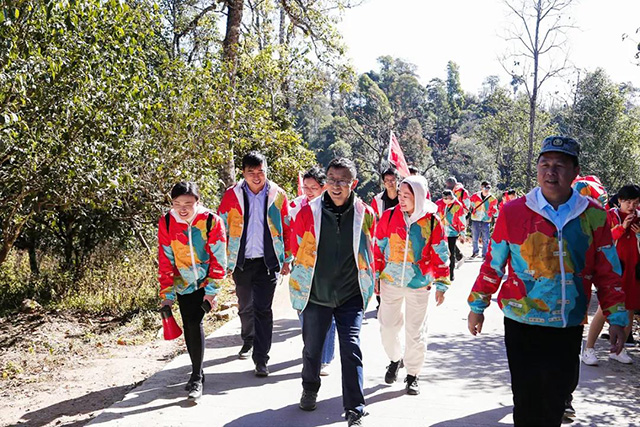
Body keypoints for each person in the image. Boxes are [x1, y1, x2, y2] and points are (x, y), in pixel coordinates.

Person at [467, 135, 628, 427]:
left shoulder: (593, 215)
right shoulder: (513, 212)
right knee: (527, 399)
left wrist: (617, 318)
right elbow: (493, 263)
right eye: (545, 164)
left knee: (557, 396)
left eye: (560, 165)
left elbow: (608, 271)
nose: (551, 172)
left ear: (575, 172)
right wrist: (478, 304)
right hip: (522, 319)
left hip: (567, 322)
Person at [289, 157, 376, 426]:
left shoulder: (365, 214)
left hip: (350, 295)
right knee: (312, 349)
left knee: (351, 349)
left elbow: (371, 249)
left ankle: (355, 408)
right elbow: (297, 246)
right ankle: (310, 388)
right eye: (331, 179)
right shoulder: (309, 212)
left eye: (342, 181)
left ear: (354, 183)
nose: (335, 186)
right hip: (316, 294)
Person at [374, 176, 450, 395]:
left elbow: (441, 252)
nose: (402, 199)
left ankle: (413, 374)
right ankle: (395, 359)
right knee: (387, 326)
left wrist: (442, 283)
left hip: (419, 283)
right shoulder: (388, 217)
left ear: (419, 196)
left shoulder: (432, 220)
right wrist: (376, 277)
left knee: (415, 331)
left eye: (407, 195)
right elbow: (378, 248)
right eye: (400, 194)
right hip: (390, 281)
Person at [217, 151, 291, 377]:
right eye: (252, 173)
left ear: (266, 170)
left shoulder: (278, 195)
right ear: (243, 173)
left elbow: (287, 227)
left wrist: (286, 258)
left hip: (267, 262)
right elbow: (221, 228)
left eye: (261, 172)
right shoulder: (232, 195)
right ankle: (248, 339)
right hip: (241, 261)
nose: (257, 177)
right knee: (245, 305)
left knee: (263, 310)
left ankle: (261, 359)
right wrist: (222, 260)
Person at [158, 181, 227, 401]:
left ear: (197, 201)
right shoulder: (167, 222)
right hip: (183, 283)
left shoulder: (210, 221)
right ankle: (197, 371)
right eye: (177, 203)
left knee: (195, 322)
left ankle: (196, 377)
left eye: (188, 203)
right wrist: (166, 296)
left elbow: (219, 256)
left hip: (205, 281)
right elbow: (165, 259)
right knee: (189, 324)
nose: (182, 208)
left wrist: (212, 290)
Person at [582, 184, 640, 366]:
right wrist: (623, 227)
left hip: (634, 269)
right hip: (615, 270)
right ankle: (588, 349)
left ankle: (618, 349)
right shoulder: (610, 216)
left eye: (636, 203)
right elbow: (606, 238)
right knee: (604, 309)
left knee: (629, 309)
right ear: (620, 200)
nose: (632, 206)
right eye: (628, 202)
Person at [289, 166, 336, 376]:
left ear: (323, 187)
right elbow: (293, 238)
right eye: (305, 187)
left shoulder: (333, 207)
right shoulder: (298, 207)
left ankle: (324, 358)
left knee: (329, 315)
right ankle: (311, 352)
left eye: (313, 187)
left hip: (328, 269)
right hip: (303, 266)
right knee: (305, 313)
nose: (308, 191)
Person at [436, 189, 466, 280]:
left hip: (452, 232)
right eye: (449, 199)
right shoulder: (438, 204)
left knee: (451, 253)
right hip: (440, 231)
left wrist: (462, 234)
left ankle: (451, 273)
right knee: (440, 252)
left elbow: (462, 220)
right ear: (444, 198)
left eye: (452, 198)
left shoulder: (457, 205)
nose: (452, 200)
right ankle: (440, 273)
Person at [468, 181, 498, 259]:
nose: (487, 189)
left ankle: (485, 254)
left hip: (486, 219)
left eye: (489, 188)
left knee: (485, 238)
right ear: (481, 187)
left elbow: (495, 210)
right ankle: (475, 252)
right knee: (475, 237)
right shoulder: (475, 196)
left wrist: (495, 219)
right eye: (485, 187)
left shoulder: (492, 198)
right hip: (475, 218)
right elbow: (470, 205)